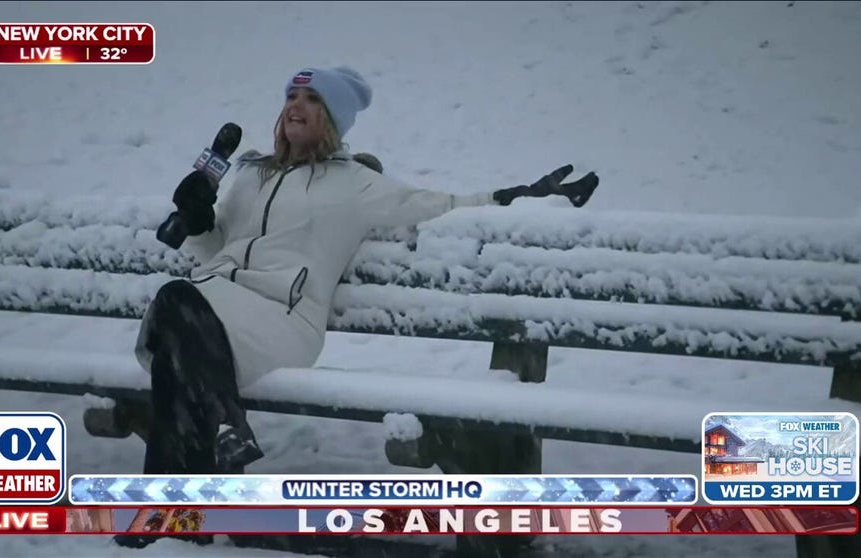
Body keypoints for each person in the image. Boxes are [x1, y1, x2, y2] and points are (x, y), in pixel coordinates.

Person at [119, 66, 598, 546]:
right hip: (213, 308)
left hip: (281, 319)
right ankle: (191, 495)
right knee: (175, 330)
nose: (295, 106)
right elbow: (216, 248)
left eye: (311, 99)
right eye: (291, 96)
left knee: (174, 322)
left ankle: (180, 499)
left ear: (332, 119)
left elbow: (440, 203)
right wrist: (200, 219)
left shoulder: (356, 184)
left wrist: (518, 196)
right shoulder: (248, 173)